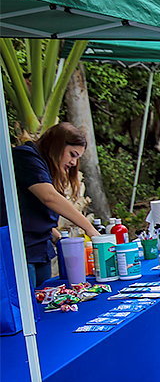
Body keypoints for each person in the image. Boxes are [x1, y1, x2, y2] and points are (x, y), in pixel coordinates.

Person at [10, 122, 100, 286]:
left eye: (77, 158)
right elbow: (49, 197)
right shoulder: (25, 156)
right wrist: (89, 228)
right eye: (72, 154)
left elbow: (31, 211)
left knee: (46, 296)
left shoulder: (44, 165)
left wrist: (59, 238)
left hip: (41, 250)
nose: (73, 163)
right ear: (57, 145)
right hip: (20, 251)